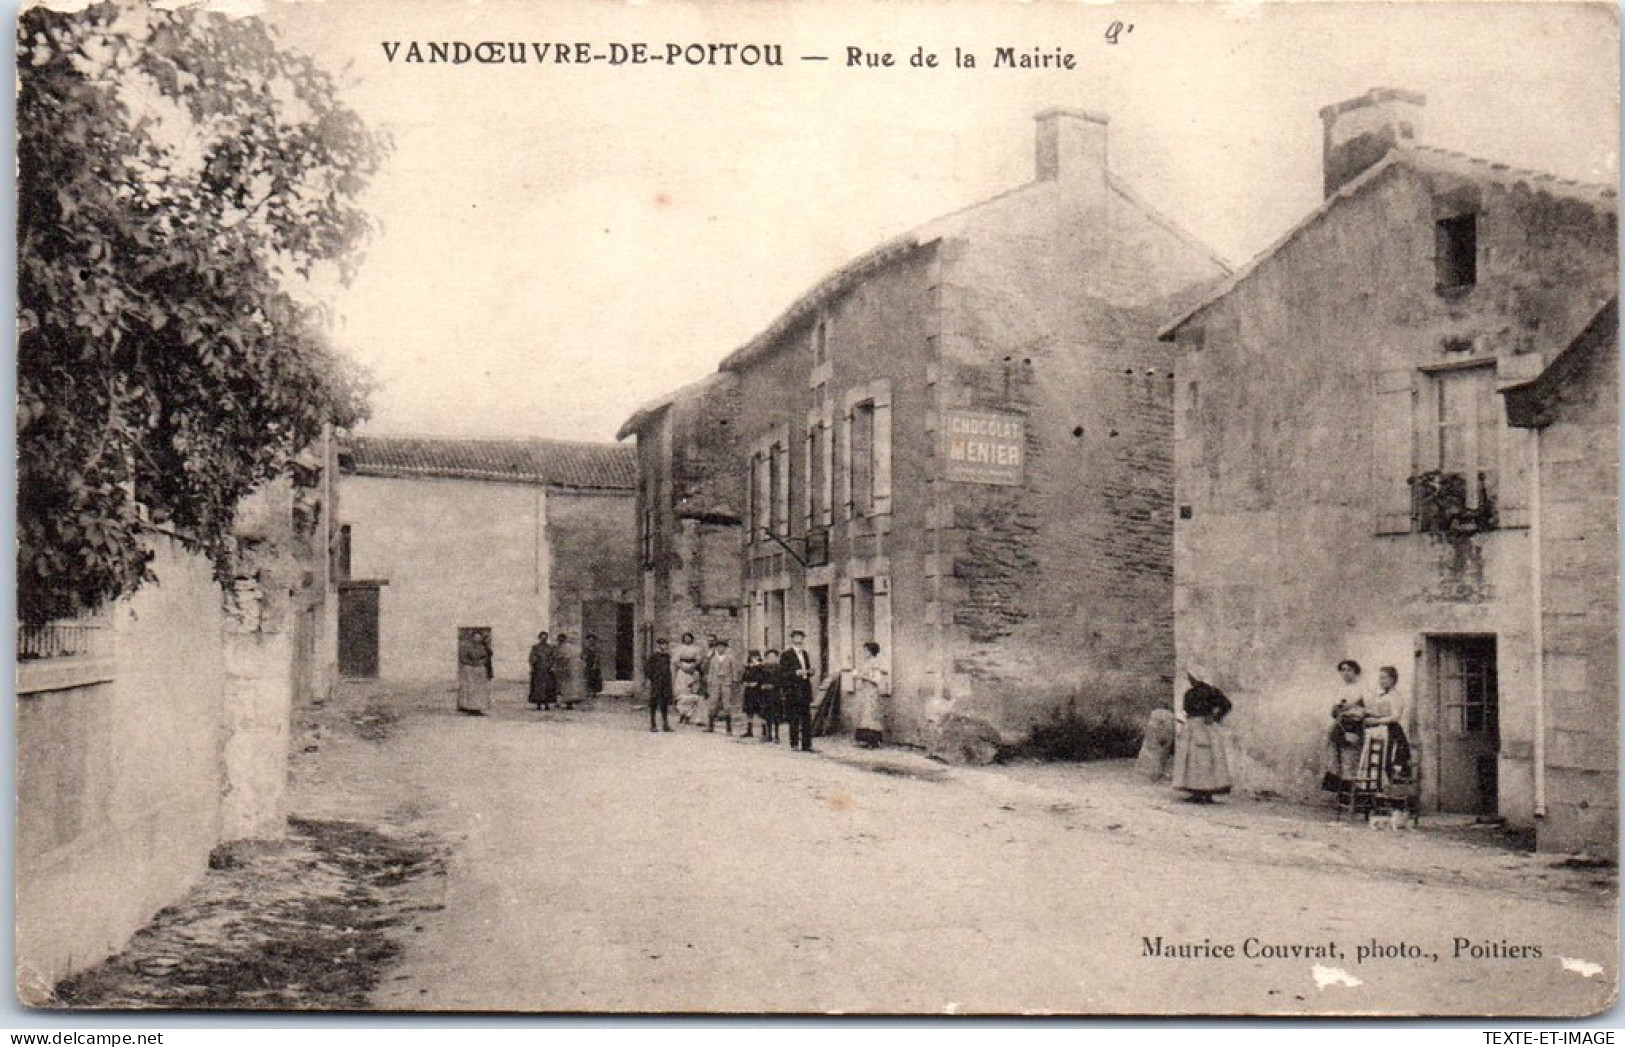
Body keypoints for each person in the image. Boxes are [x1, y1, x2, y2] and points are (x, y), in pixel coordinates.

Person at [1171, 672, 1232, 803]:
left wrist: (1215, 717)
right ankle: (1196, 791)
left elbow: (1227, 705)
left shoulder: (1212, 692)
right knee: (1192, 760)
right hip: (1192, 727)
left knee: (1206, 759)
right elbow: (1186, 710)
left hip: (1206, 728)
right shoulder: (1189, 693)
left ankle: (1207, 792)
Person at [1354, 665, 1414, 793]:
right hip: (1378, 730)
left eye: (1385, 678)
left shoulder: (1396, 696)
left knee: (1385, 760)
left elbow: (1395, 717)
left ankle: (1383, 791)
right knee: (1372, 761)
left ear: (1393, 680)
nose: (1382, 681)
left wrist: (1376, 720)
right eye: (1380, 679)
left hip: (1390, 730)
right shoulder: (1380, 695)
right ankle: (1371, 790)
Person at [1321, 659, 1370, 792]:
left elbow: (1365, 711)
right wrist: (1339, 710)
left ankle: (1350, 797)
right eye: (1343, 670)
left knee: (1349, 761)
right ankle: (1339, 796)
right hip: (1339, 727)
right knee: (1334, 760)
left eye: (1349, 670)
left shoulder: (1362, 689)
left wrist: (1349, 710)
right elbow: (1334, 711)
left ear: (1356, 671)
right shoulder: (1340, 689)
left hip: (1353, 727)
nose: (1346, 673)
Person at [780, 630, 816, 752]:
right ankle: (794, 744)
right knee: (794, 717)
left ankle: (807, 745)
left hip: (805, 688)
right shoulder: (786, 654)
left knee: (806, 717)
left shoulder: (805, 654)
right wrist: (796, 673)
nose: (799, 640)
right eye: (796, 637)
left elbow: (806, 670)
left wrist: (810, 672)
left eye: (801, 637)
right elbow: (783, 673)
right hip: (793, 689)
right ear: (792, 639)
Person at [852, 641, 888, 749]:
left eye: (866, 650)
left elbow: (877, 679)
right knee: (863, 714)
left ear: (871, 651)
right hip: (864, 691)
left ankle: (874, 741)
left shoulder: (875, 663)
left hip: (871, 691)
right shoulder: (865, 662)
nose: (864, 653)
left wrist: (863, 677)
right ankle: (865, 740)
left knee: (871, 714)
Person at [705, 639, 741, 734]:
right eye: (719, 647)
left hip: (726, 683)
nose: (720, 649)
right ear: (716, 648)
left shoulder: (730, 659)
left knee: (727, 704)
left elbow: (734, 671)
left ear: (726, 648)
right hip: (715, 683)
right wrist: (709, 682)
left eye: (723, 647)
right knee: (713, 703)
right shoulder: (713, 659)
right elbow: (711, 672)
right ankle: (710, 726)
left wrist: (734, 681)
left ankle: (728, 728)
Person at [456, 631, 491, 716]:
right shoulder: (466, 647)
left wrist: (481, 662)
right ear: (472, 638)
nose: (477, 639)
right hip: (470, 670)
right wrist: (472, 663)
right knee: (471, 689)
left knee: (480, 690)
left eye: (479, 637)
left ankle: (478, 708)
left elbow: (486, 657)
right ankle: (470, 709)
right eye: (476, 637)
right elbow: (463, 658)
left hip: (479, 670)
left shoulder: (482, 647)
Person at [673, 632, 704, 724]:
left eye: (689, 638)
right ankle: (682, 713)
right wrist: (682, 667)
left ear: (691, 639)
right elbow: (675, 660)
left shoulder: (696, 649)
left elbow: (699, 660)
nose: (687, 639)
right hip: (682, 671)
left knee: (691, 694)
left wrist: (693, 666)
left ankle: (689, 715)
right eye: (685, 638)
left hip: (692, 670)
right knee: (682, 693)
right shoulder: (679, 648)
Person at [646, 637, 674, 732]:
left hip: (665, 683)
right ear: (658, 645)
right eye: (662, 644)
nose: (664, 646)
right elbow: (647, 669)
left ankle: (665, 724)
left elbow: (669, 670)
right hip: (657, 682)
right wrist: (653, 678)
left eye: (665, 644)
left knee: (664, 703)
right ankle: (653, 724)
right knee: (654, 702)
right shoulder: (653, 656)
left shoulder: (667, 656)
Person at [759, 648, 782, 743]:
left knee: (776, 715)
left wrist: (774, 685)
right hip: (765, 694)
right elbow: (759, 679)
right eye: (770, 657)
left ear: (776, 658)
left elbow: (782, 680)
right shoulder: (762, 668)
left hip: (775, 694)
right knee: (765, 714)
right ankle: (767, 734)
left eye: (774, 657)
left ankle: (777, 735)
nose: (772, 659)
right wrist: (762, 685)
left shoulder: (779, 668)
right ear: (766, 658)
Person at [527, 631, 554, 710]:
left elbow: (552, 658)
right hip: (538, 670)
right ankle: (538, 704)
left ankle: (546, 704)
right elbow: (531, 658)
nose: (544, 639)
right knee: (538, 687)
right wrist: (532, 667)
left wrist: (551, 665)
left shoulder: (550, 648)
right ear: (539, 638)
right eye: (542, 637)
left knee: (548, 687)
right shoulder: (535, 647)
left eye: (545, 637)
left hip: (547, 670)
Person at [555, 632, 584, 710]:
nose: (560, 640)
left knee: (567, 686)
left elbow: (565, 658)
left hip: (567, 668)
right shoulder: (558, 647)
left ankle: (568, 703)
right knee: (561, 686)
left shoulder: (567, 648)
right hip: (561, 668)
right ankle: (561, 702)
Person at [582, 634, 603, 699]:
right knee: (588, 678)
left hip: (594, 665)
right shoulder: (586, 648)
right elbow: (582, 656)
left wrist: (595, 664)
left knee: (595, 678)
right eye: (589, 640)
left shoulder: (596, 648)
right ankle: (588, 692)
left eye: (592, 640)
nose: (591, 641)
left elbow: (598, 657)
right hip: (588, 664)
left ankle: (594, 692)